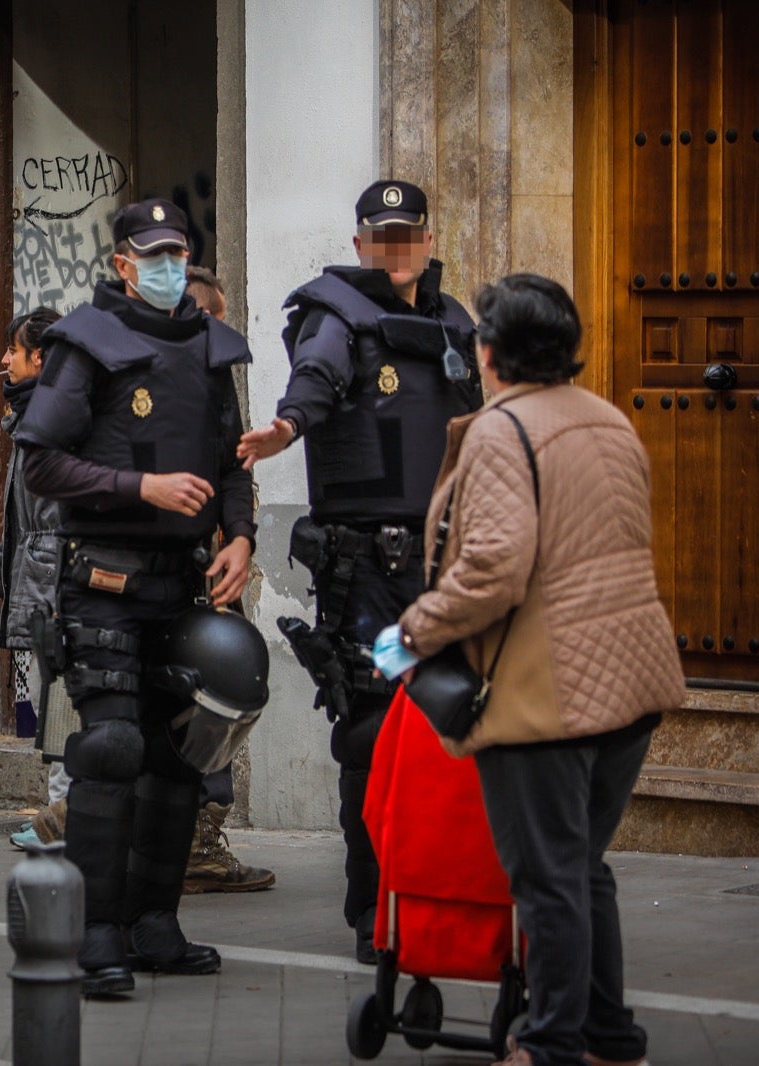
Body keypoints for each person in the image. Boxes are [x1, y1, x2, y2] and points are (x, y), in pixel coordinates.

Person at [376, 274, 683, 1066]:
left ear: (488, 353)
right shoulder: (610, 419)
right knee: (582, 869)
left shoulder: (502, 431)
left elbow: (493, 571)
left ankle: (550, 1046)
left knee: (547, 881)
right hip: (631, 684)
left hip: (548, 693)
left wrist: (410, 633)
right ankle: (612, 1039)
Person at [14, 197, 257, 996]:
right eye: (153, 253)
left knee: (180, 761)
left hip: (182, 585)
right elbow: (40, 462)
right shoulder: (83, 342)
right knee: (113, 751)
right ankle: (96, 933)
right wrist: (137, 483)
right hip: (104, 584)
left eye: (178, 251)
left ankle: (156, 924)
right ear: (122, 263)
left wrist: (242, 538)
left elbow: (232, 464)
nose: (169, 265)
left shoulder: (211, 348)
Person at [236, 180, 482, 959]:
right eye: (382, 237)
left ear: (427, 239)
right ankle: (373, 912)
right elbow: (315, 379)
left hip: (448, 572)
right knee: (374, 729)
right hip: (373, 581)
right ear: (360, 246)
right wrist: (286, 426)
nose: (396, 249)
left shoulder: (452, 322)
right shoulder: (332, 314)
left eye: (408, 234)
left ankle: (439, 903)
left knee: (452, 723)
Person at [179, 263, 275, 895]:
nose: (218, 328)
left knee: (230, 692)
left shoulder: (217, 380)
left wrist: (240, 538)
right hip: (140, 574)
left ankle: (203, 842)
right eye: (212, 315)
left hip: (207, 566)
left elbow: (236, 467)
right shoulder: (118, 372)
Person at [0, 307, 73, 850]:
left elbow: (53, 524)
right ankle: (59, 813)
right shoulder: (31, 417)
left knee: (61, 705)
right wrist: (0, 574)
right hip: (41, 577)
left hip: (56, 585)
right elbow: (24, 520)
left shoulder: (52, 422)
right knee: (55, 700)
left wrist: (40, 588)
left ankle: (62, 820)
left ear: (40, 358)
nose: (4, 361)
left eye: (13, 351)